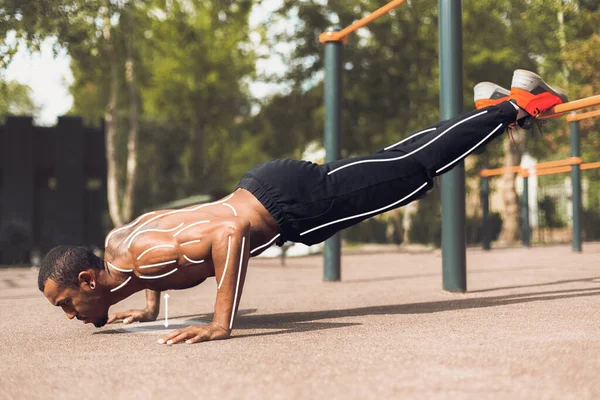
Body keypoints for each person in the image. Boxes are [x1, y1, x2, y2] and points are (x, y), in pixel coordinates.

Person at [38, 69, 567, 344]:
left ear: (88, 280)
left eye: (65, 302)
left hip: (292, 205)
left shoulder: (141, 260)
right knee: (395, 163)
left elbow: (225, 236)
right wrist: (148, 306)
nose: (69, 314)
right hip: (269, 187)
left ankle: (514, 105)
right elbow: (162, 237)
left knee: (408, 172)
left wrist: (223, 322)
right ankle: (494, 108)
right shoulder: (118, 246)